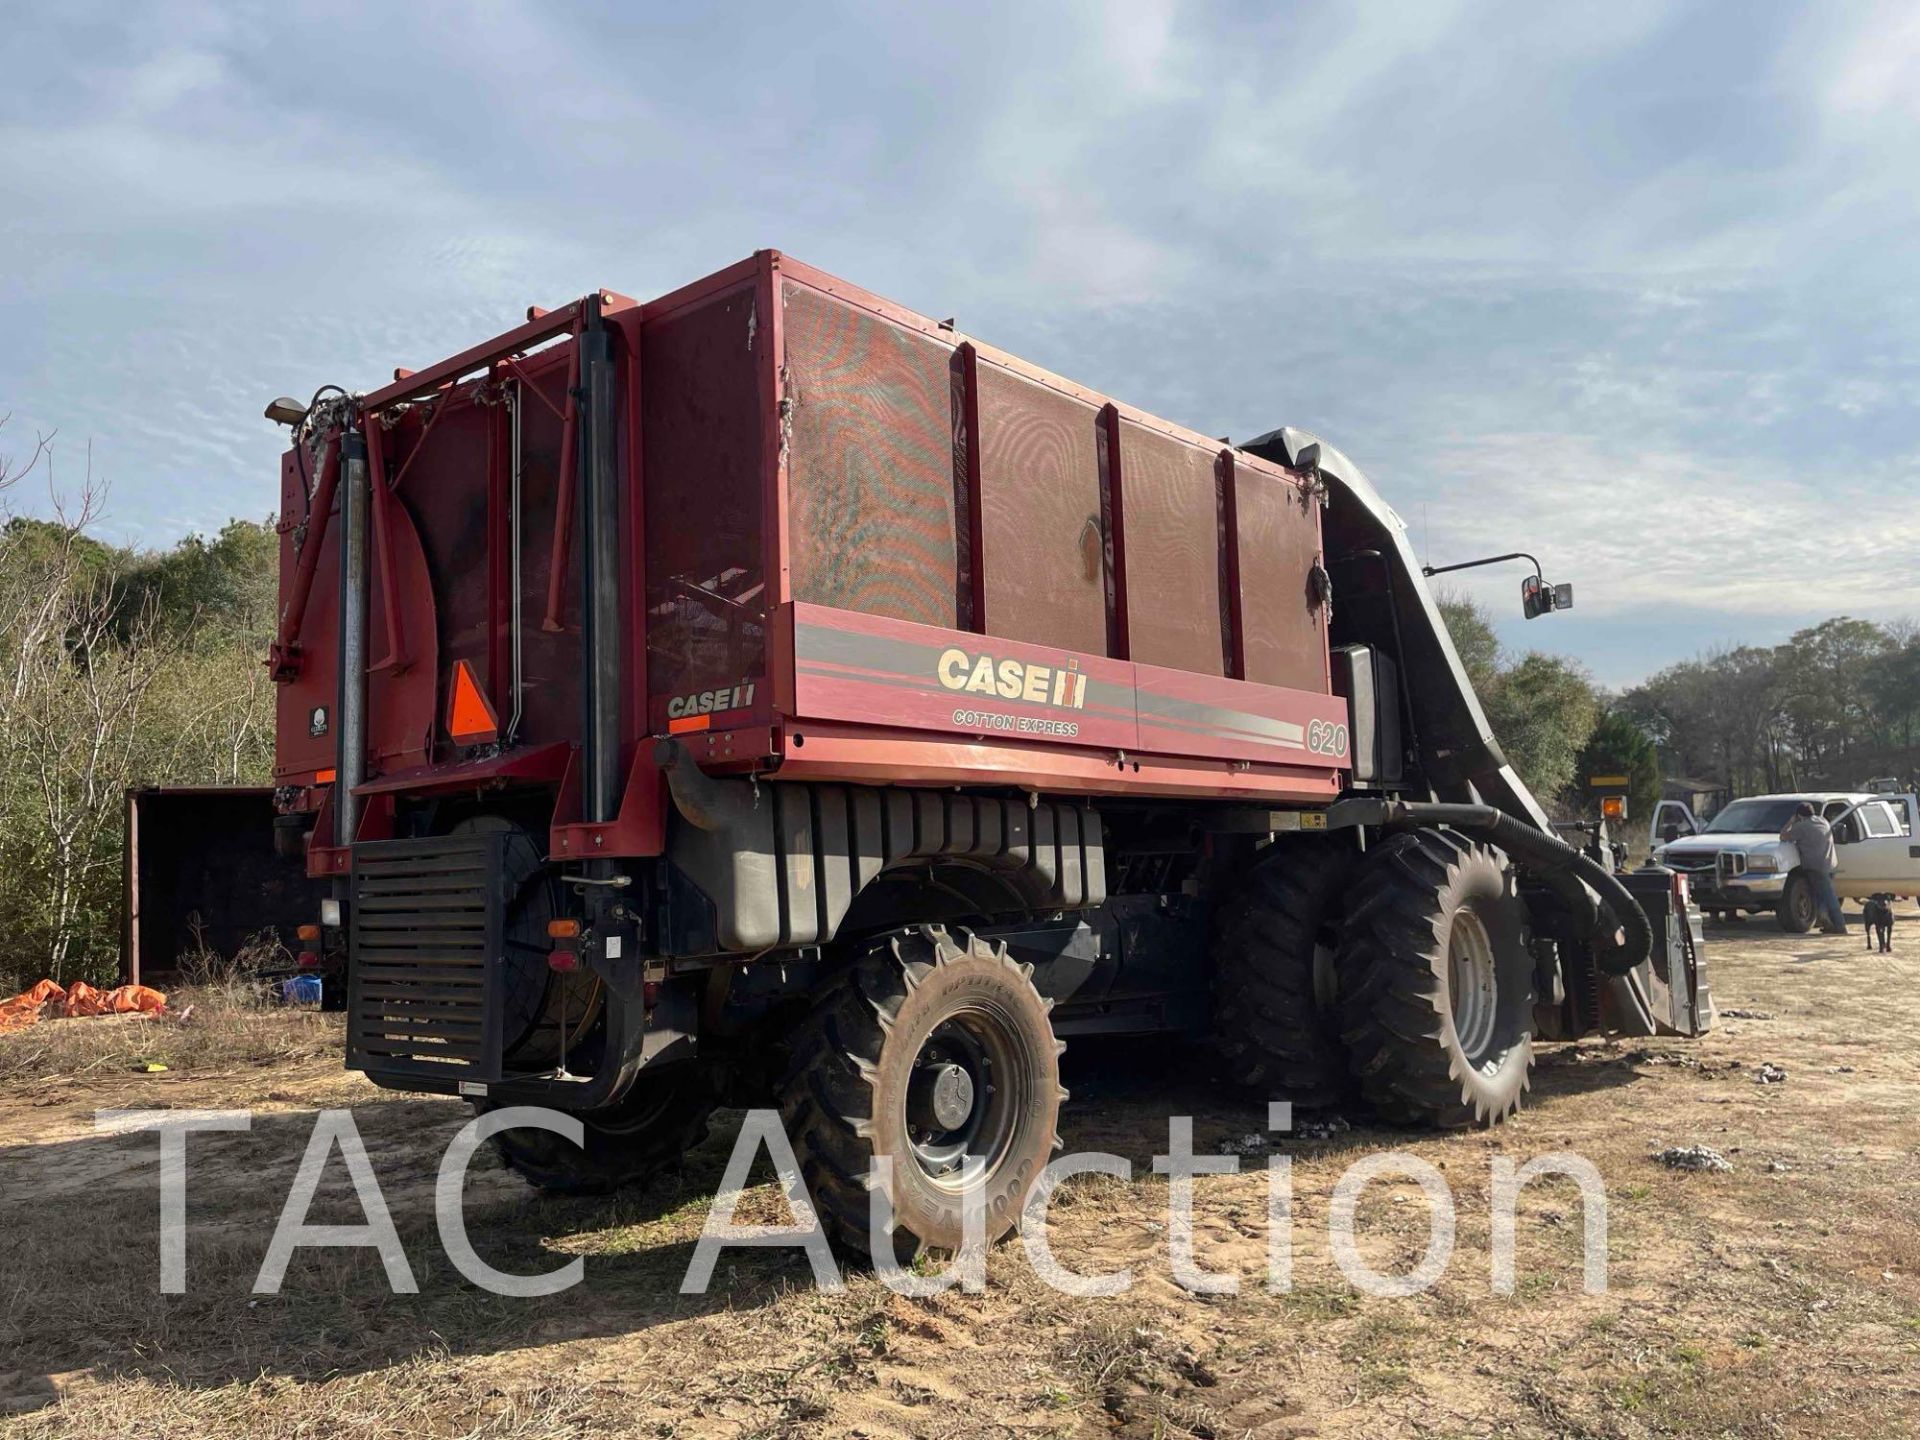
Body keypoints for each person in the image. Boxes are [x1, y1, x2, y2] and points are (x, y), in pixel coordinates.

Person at [1780, 802, 1846, 934]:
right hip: (1830, 864)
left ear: (1799, 815)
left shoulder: (1801, 826)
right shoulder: (1822, 821)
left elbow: (1783, 836)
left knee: (1828, 896)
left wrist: (1791, 821)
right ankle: (1825, 921)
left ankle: (1840, 926)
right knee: (1822, 894)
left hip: (1816, 867)